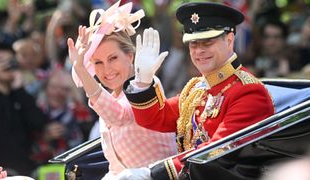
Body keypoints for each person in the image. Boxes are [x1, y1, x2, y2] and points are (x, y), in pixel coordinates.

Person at [118, 2, 275, 179]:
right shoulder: (196, 88)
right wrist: (142, 83)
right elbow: (156, 118)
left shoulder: (249, 92)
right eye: (193, 44)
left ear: (230, 40)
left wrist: (152, 174)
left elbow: (215, 153)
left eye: (207, 42)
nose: (199, 51)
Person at [67, 1, 177, 179]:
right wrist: (79, 64)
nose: (107, 69)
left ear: (130, 56)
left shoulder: (146, 83)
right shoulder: (111, 96)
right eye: (98, 63)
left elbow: (119, 115)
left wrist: (81, 68)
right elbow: (117, 169)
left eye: (113, 58)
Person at [0, 42, 47, 176]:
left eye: (10, 61)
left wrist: (19, 89)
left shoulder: (20, 95)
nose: (6, 65)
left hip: (24, 170)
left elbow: (39, 123)